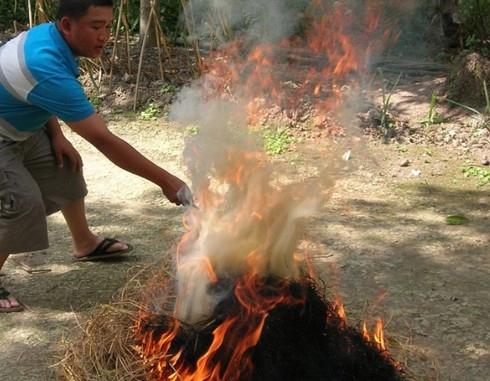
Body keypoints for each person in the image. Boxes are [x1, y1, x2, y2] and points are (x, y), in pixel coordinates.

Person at [0, 0, 192, 312]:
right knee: (21, 202)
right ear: (67, 25)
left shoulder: (50, 40)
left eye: (106, 26)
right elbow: (103, 139)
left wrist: (57, 134)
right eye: (95, 27)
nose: (104, 35)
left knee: (65, 167)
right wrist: (166, 181)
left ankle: (84, 242)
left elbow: (30, 92)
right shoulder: (44, 62)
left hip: (18, 127)